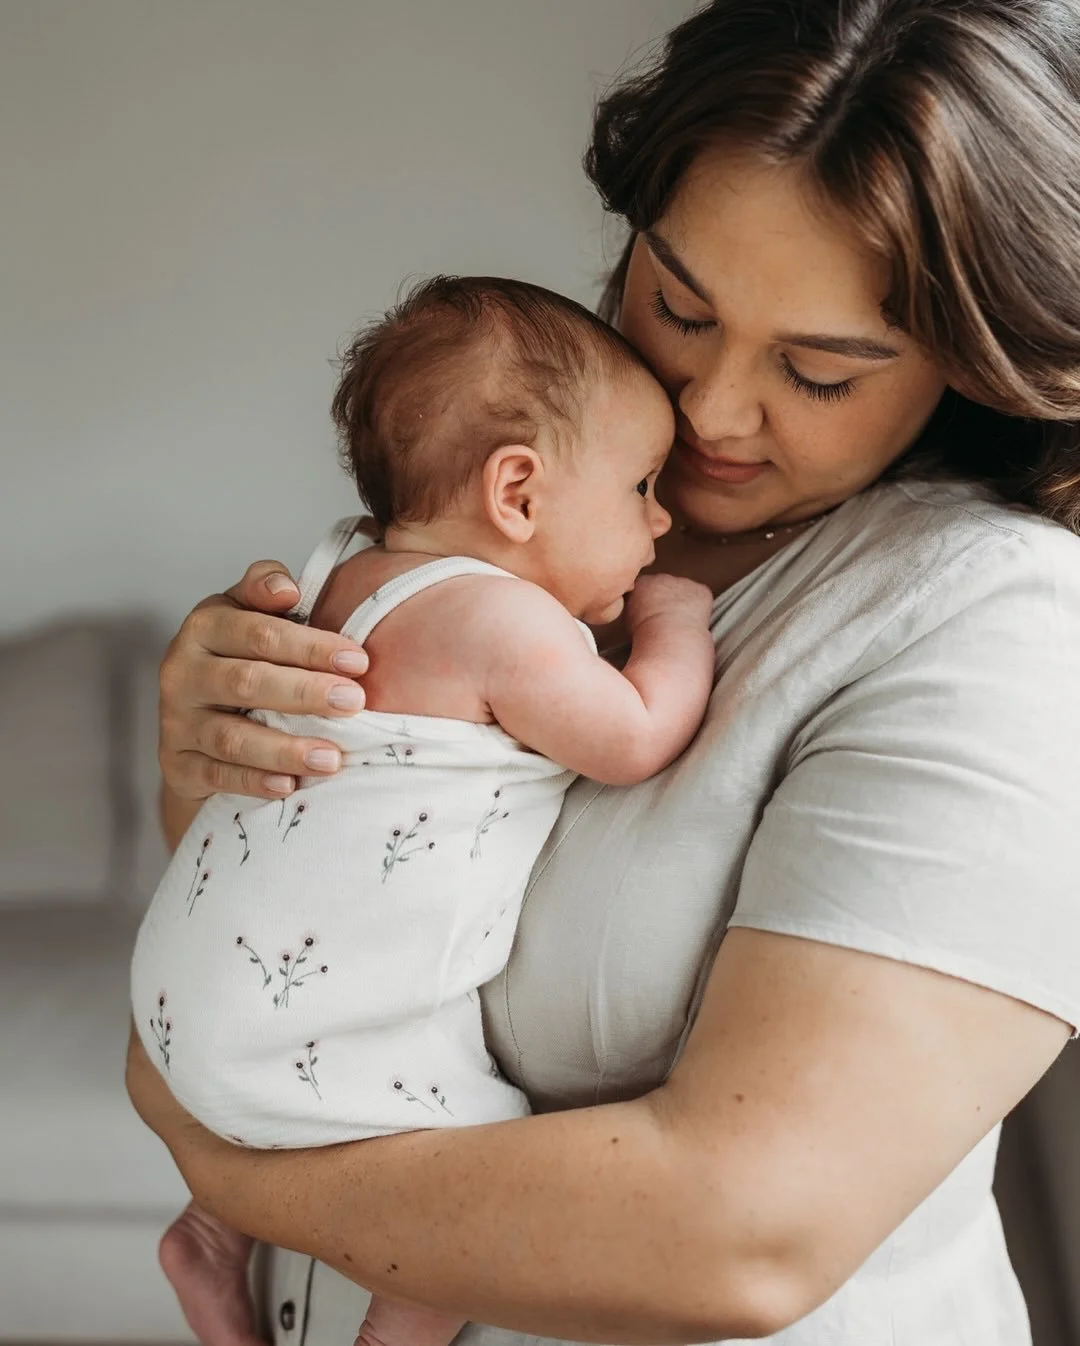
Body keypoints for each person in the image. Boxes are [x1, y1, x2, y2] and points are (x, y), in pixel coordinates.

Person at [126, 1, 1080, 1343]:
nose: (708, 411)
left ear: (971, 367)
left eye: (818, 373)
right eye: (679, 303)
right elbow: (326, 894)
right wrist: (208, 753)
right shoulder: (546, 495)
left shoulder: (1002, 622)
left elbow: (742, 1234)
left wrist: (230, 1156)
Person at [130, 275, 715, 1346]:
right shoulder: (501, 620)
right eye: (639, 486)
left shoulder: (339, 571)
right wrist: (680, 621)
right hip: (279, 1023)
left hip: (190, 999)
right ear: (519, 493)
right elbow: (633, 737)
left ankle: (211, 1233)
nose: (662, 520)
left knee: (307, 1083)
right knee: (477, 1175)